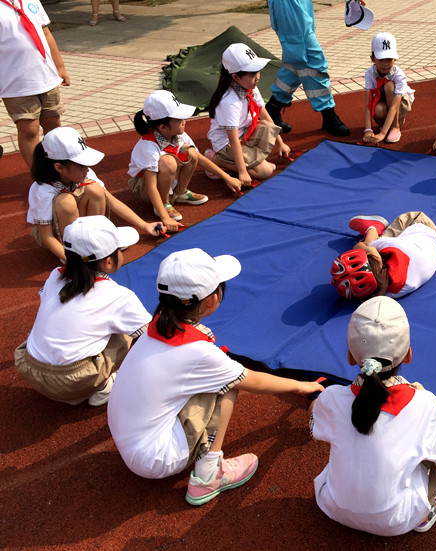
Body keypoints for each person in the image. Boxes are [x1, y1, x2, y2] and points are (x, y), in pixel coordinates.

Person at [107, 248, 323, 505]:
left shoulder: (155, 327)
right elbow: (251, 380)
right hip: (155, 458)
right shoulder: (197, 352)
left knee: (217, 378)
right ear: (211, 299)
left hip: (128, 441)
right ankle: (208, 475)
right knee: (227, 385)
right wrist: (302, 386)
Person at [310, 296, 436, 535]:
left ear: (350, 356)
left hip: (331, 506)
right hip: (395, 522)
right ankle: (430, 507)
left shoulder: (332, 397)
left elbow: (315, 420)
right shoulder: (425, 404)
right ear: (408, 354)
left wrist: (316, 401)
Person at [14, 216, 150, 406]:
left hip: (29, 368)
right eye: (119, 249)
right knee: (125, 334)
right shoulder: (117, 295)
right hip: (71, 382)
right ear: (108, 262)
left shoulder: (55, 275)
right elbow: (150, 338)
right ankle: (102, 387)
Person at [27, 127, 160, 262]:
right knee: (65, 201)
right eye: (81, 165)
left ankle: (95, 241)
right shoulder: (42, 190)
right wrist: (74, 262)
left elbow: (113, 202)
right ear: (59, 167)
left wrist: (145, 225)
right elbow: (47, 236)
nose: (87, 169)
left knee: (95, 189)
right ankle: (74, 251)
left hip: (74, 218)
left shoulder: (85, 173)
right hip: (55, 235)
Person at [129, 90, 237, 227]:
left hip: (163, 177)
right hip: (143, 185)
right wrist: (164, 218)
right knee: (168, 162)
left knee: (191, 152)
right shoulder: (148, 145)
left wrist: (227, 177)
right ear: (162, 127)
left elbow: (198, 158)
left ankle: (181, 192)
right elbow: (150, 186)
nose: (184, 122)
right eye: (179, 120)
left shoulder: (178, 134)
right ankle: (163, 203)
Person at [206, 43, 291, 189]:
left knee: (268, 127)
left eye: (257, 72)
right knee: (265, 172)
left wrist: (281, 143)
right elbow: (233, 139)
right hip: (226, 143)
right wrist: (242, 172)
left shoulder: (250, 87)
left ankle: (254, 162)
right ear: (235, 77)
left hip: (244, 134)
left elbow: (265, 116)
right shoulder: (229, 102)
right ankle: (215, 159)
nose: (257, 78)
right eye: (251, 75)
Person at [265, 0, 350, 137]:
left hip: (298, 4)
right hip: (290, 4)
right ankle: (328, 115)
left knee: (296, 59)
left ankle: (273, 108)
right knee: (312, 59)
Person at [1, 0, 70, 169]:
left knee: (54, 124)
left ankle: (59, 170)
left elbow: (45, 33)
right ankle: (40, 175)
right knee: (29, 130)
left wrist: (60, 67)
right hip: (15, 82)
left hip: (45, 74)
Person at [331, 212, 436, 300]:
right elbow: (364, 246)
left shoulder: (392, 294)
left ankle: (373, 229)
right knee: (373, 240)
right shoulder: (392, 246)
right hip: (421, 224)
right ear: (378, 259)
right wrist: (363, 248)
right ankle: (373, 227)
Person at [362, 32, 414, 145]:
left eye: (389, 59)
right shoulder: (370, 73)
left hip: (400, 104)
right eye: (381, 60)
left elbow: (395, 106)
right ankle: (386, 123)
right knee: (378, 110)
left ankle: (395, 126)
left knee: (389, 86)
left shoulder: (399, 75)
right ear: (372, 58)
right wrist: (368, 130)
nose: (385, 64)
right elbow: (368, 104)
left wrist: (383, 134)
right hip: (384, 101)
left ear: (395, 59)